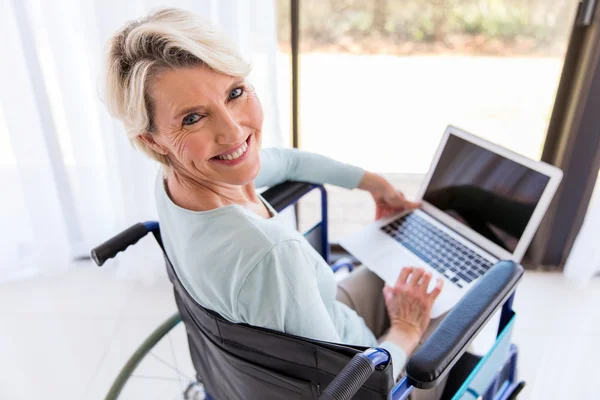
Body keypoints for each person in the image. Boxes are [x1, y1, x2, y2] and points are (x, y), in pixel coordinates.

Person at [104, 7, 444, 396]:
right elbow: (350, 385)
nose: (233, 132)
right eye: (193, 118)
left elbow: (291, 162)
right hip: (364, 370)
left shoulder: (178, 178)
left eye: (234, 93)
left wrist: (372, 184)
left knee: (400, 264)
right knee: (453, 306)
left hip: (278, 350)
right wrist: (405, 330)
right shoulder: (270, 255)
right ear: (152, 140)